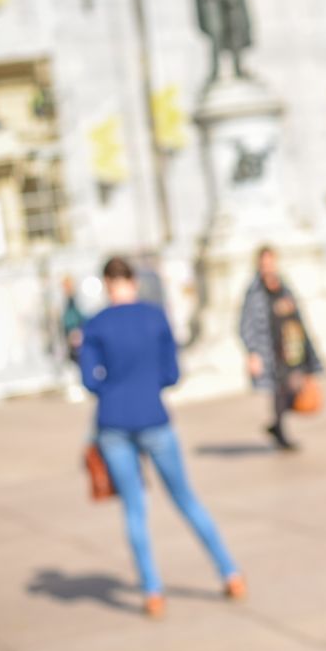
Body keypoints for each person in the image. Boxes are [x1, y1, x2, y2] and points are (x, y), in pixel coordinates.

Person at [81, 256, 244, 619]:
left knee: (135, 509)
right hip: (153, 416)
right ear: (133, 281)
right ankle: (229, 572)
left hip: (113, 422)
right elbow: (171, 374)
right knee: (185, 498)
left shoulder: (95, 325)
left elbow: (90, 381)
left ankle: (153, 591)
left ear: (107, 284)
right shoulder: (155, 318)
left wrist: (113, 385)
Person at [239, 245, 322, 451]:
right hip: (271, 350)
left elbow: (297, 315)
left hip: (291, 346)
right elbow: (245, 323)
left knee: (292, 388)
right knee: (279, 390)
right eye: (264, 262)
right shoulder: (254, 291)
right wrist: (253, 353)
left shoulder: (283, 286)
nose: (267, 266)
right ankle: (280, 432)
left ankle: (276, 426)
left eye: (270, 261)